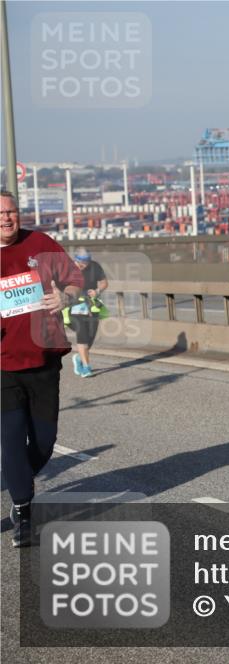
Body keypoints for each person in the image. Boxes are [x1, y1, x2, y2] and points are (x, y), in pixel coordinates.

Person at [0, 190, 83, 547]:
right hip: (3, 367)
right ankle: (23, 511)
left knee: (45, 443)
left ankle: (16, 480)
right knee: (12, 441)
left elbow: (76, 280)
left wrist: (66, 296)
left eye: (11, 212)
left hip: (44, 360)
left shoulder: (41, 243)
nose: (6, 218)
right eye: (0, 213)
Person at [63, 247, 108, 378]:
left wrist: (97, 291)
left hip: (91, 306)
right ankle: (86, 367)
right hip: (73, 307)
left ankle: (79, 357)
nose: (84, 265)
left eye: (86, 262)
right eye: (81, 262)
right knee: (82, 334)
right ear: (75, 259)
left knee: (90, 337)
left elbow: (104, 283)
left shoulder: (95, 266)